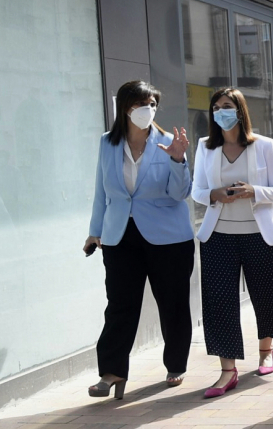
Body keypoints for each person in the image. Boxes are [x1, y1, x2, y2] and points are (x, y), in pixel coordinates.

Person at [85, 80, 194, 399]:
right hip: (120, 235)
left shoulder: (170, 142)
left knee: (172, 303)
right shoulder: (108, 142)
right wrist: (95, 231)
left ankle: (176, 364)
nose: (148, 110)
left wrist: (178, 161)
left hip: (169, 238)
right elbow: (101, 191)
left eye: (152, 104)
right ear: (126, 108)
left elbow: (180, 194)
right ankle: (111, 372)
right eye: (141, 104)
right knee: (120, 305)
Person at [192, 88, 273, 399]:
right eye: (216, 107)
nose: (221, 111)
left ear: (240, 110)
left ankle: (266, 350)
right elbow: (197, 190)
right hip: (218, 237)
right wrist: (214, 194)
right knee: (220, 305)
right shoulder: (204, 147)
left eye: (227, 106)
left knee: (266, 296)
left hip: (260, 235)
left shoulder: (263, 145)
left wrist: (254, 191)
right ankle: (228, 370)